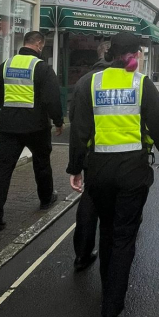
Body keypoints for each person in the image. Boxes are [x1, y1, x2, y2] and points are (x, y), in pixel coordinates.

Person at [67, 32, 159, 317]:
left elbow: (79, 129)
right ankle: (111, 309)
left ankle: (108, 294)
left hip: (99, 171)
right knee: (124, 237)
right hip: (132, 171)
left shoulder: (91, 83)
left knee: (108, 234)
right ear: (134, 55)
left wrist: (75, 168)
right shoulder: (141, 84)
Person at [0, 31, 64, 234]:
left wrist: (11, 112)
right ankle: (46, 199)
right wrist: (58, 121)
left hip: (9, 126)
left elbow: (0, 96)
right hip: (36, 126)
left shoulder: (6, 65)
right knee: (41, 162)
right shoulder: (42, 68)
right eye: (42, 46)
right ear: (38, 44)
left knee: (2, 170)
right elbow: (52, 99)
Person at [70, 39, 113, 272]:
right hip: (122, 154)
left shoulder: (84, 82)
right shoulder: (131, 82)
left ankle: (82, 254)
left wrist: (75, 166)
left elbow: (77, 128)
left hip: (92, 155)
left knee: (90, 201)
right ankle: (115, 256)